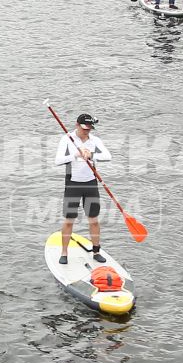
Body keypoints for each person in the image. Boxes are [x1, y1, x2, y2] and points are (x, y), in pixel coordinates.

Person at [55, 113, 111, 264]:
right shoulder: (67, 139)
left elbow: (108, 156)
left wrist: (91, 155)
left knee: (93, 220)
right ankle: (64, 253)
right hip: (73, 183)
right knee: (69, 221)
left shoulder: (95, 140)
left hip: (91, 183)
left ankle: (96, 251)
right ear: (77, 125)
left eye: (90, 128)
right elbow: (58, 160)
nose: (87, 131)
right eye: (85, 128)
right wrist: (75, 155)